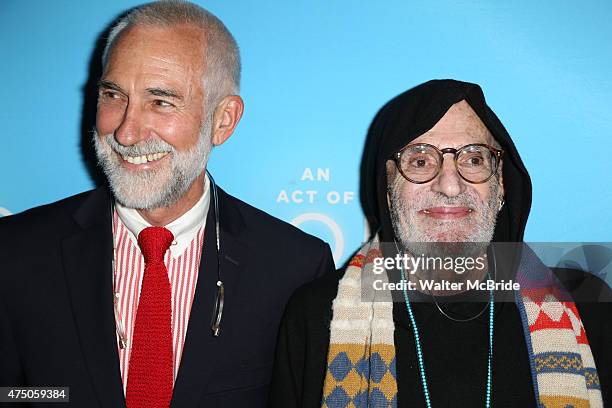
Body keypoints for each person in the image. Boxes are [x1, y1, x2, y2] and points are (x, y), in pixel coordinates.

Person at [0, 2, 334, 407]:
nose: (126, 131)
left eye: (160, 101)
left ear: (223, 120)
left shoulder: (294, 267)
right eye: (113, 95)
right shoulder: (16, 251)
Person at [270, 79, 610, 407]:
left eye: (473, 159)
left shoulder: (588, 307)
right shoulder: (316, 316)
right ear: (386, 190)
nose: (449, 185)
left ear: (502, 184)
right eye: (420, 161)